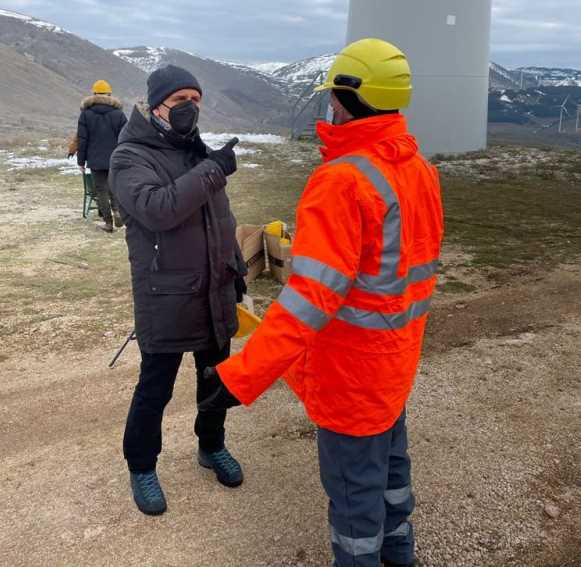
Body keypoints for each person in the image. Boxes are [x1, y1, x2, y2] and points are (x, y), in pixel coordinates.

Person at [202, 39, 444, 567]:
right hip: (396, 363)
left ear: (348, 98)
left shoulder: (341, 181)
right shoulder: (418, 170)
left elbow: (309, 302)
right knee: (391, 475)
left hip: (352, 376)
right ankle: (401, 553)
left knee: (355, 499)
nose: (329, 105)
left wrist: (239, 377)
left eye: (333, 95)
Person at [109, 65, 248, 516]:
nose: (191, 108)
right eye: (180, 100)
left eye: (197, 98)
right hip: (166, 295)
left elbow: (218, 220)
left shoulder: (194, 150)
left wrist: (235, 264)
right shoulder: (130, 156)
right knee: (156, 388)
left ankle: (211, 445)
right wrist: (212, 171)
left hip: (214, 289)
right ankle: (142, 466)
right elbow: (158, 209)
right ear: (156, 107)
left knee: (215, 378)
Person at [77, 80, 127, 232]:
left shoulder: (86, 114)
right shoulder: (119, 114)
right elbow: (126, 138)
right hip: (116, 158)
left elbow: (82, 139)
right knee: (115, 188)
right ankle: (117, 211)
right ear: (110, 94)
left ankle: (108, 223)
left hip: (95, 159)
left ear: (94, 94)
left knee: (101, 190)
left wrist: (81, 161)